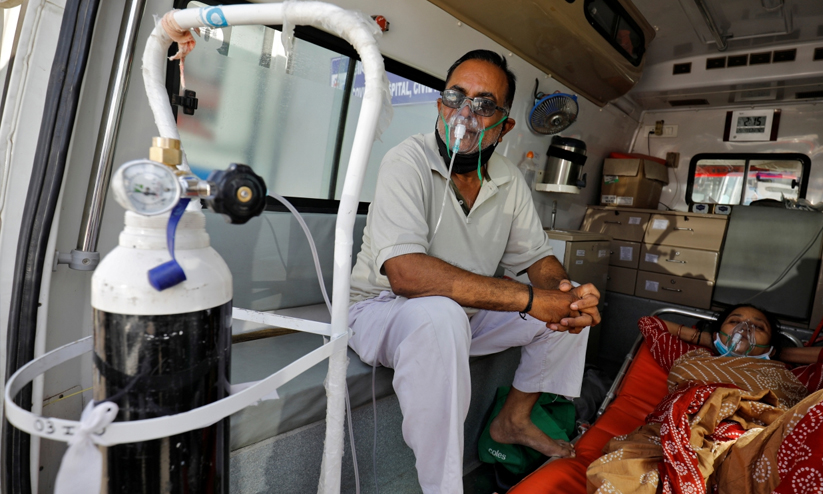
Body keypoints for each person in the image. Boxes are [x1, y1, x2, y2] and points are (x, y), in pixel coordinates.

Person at [348, 49, 601, 493]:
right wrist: (529, 298)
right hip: (383, 311)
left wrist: (563, 291)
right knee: (440, 315)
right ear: (440, 104)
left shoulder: (507, 178)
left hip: (462, 313)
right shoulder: (406, 161)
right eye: (455, 97)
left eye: (484, 104)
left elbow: (536, 259)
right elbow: (405, 274)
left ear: (504, 126)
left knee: (569, 305)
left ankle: (514, 420)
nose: (465, 113)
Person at [586, 304, 823, 494]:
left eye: (758, 327)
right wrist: (711, 340)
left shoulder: (788, 375)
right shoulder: (692, 357)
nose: (744, 329)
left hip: (751, 445)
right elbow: (650, 323)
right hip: (675, 433)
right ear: (717, 332)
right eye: (734, 322)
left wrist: (777, 353)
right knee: (629, 475)